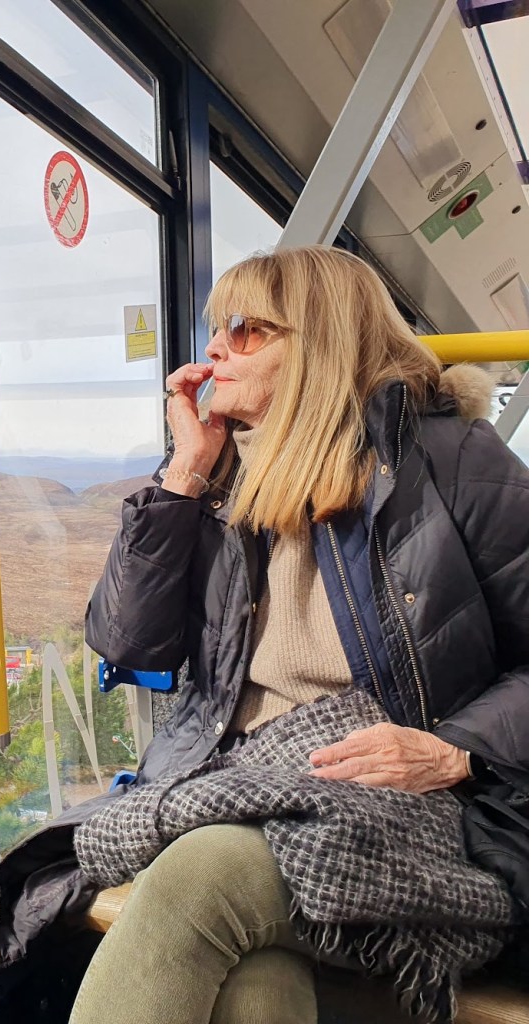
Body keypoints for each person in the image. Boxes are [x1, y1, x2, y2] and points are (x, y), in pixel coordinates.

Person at [58, 246, 529, 1023]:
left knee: (200, 876)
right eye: (216, 329)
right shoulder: (219, 478)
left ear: (318, 341)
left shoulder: (451, 463)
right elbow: (127, 643)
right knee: (255, 987)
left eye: (244, 329)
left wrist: (455, 748)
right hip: (236, 780)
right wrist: (183, 476)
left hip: (389, 796)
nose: (214, 348)